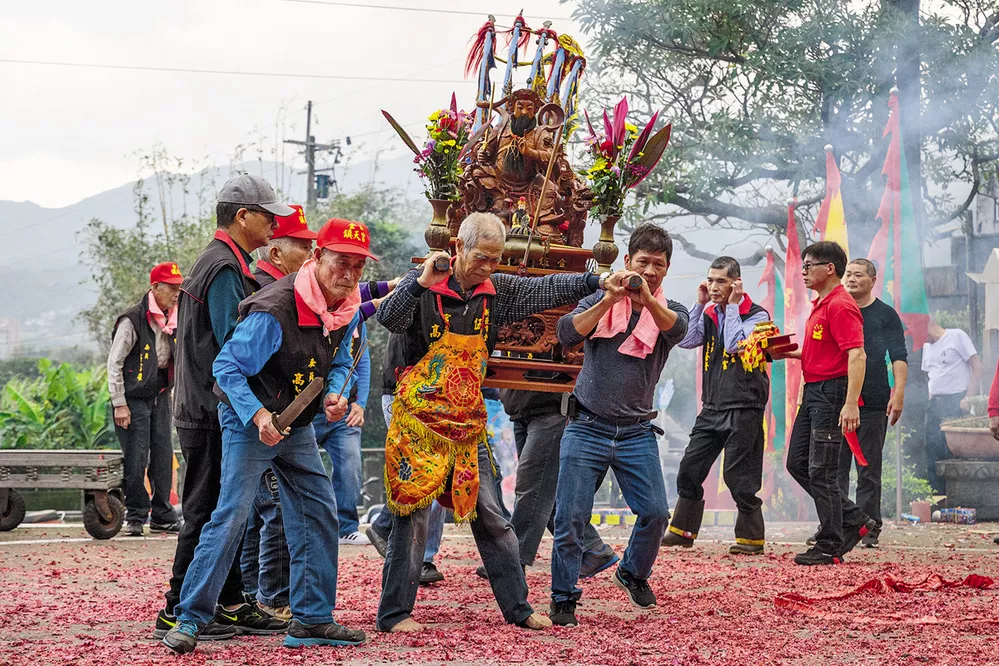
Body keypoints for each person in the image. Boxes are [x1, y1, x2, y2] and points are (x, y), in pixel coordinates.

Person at [374, 212, 604, 633]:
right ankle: (394, 614)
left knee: (492, 514)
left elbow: (546, 288)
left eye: (496, 259)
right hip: (418, 423)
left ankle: (518, 609)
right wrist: (418, 282)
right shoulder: (422, 284)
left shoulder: (497, 290)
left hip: (465, 420)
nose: (488, 266)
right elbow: (387, 317)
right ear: (458, 247)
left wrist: (595, 282)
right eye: (482, 257)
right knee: (413, 515)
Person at [161, 217, 376, 654]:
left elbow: (338, 362)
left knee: (319, 507)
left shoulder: (346, 307)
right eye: (341, 262)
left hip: (294, 422)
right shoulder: (275, 310)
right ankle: (189, 619)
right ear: (317, 258)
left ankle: (312, 618)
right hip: (249, 422)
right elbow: (226, 369)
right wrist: (258, 417)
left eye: (358, 266)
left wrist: (335, 394)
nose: (349, 275)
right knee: (233, 513)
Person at [156, 174, 293, 641]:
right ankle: (177, 608)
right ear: (242, 216)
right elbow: (233, 347)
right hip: (209, 410)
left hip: (206, 406)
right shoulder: (224, 269)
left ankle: (229, 602)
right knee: (206, 510)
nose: (274, 224)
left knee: (223, 506)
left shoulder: (222, 261)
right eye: (268, 216)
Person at [549, 224, 688, 628]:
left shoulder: (671, 310)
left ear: (666, 269)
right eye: (642, 262)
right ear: (626, 262)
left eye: (658, 265)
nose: (649, 270)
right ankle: (563, 598)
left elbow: (676, 330)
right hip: (586, 426)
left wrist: (646, 298)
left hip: (636, 432)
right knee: (570, 517)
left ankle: (631, 572)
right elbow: (565, 334)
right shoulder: (599, 297)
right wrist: (609, 297)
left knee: (657, 514)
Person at [771, 241, 874, 566]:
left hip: (832, 393)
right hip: (814, 391)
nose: (803, 272)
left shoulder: (841, 305)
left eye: (809, 265)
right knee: (798, 463)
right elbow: (822, 350)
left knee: (823, 471)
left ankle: (830, 543)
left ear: (829, 268)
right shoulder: (822, 304)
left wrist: (850, 404)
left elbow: (857, 354)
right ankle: (855, 518)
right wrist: (787, 352)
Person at [240, 203, 317, 621]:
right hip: (263, 415)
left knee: (262, 509)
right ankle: (274, 597)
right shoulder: (268, 295)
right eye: (301, 247)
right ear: (274, 253)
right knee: (274, 508)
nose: (309, 257)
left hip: (277, 414)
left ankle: (255, 591)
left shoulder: (292, 290)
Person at [665, 256, 770, 554]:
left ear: (736, 283)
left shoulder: (758, 316)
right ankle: (683, 530)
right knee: (689, 467)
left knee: (739, 475)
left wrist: (733, 307)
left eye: (721, 281)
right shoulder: (710, 313)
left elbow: (734, 344)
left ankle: (751, 539)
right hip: (712, 405)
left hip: (745, 405)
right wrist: (698, 305)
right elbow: (685, 340)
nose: (713, 286)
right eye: (710, 280)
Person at [482, 389, 617, 578]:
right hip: (520, 409)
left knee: (532, 488)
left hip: (551, 409)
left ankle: (512, 559)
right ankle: (593, 548)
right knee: (544, 492)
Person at [366, 333, 450, 586]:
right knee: (425, 473)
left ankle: (415, 549)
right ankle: (415, 551)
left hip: (431, 389)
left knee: (433, 474)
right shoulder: (416, 297)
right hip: (407, 390)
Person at [109, 262, 184, 537]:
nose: (177, 294)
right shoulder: (132, 320)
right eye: (171, 288)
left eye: (179, 288)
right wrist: (119, 403)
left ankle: (163, 514)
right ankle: (136, 516)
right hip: (133, 400)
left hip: (161, 395)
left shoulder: (176, 317)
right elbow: (114, 363)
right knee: (136, 458)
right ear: (155, 287)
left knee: (164, 455)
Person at [841, 258, 908, 547]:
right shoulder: (837, 308)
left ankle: (869, 527)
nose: (851, 279)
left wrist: (899, 393)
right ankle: (836, 524)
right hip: (837, 398)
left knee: (868, 466)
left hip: (874, 399)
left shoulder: (885, 314)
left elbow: (899, 356)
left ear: (872, 280)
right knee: (834, 467)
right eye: (848, 274)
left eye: (858, 275)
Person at [315, 317, 372, 546]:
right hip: (308, 411)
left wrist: (361, 403)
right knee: (307, 473)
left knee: (351, 466)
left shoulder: (356, 318)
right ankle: (312, 527)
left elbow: (362, 362)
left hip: (343, 410)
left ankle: (347, 527)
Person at [922, 319, 982, 494]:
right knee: (933, 449)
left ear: (929, 324)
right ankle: (937, 496)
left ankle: (958, 495)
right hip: (935, 404)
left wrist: (969, 398)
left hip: (956, 401)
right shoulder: (926, 347)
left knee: (954, 450)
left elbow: (977, 366)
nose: (922, 340)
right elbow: (931, 375)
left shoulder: (957, 336)